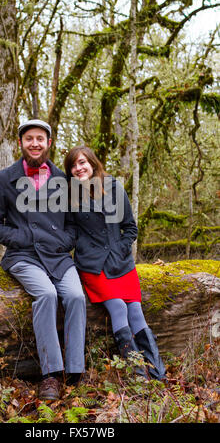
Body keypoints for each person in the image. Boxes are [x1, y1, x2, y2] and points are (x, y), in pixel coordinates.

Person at [0, 120, 86, 400]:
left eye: (40, 138)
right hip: (23, 256)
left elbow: (74, 226)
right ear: (21, 143)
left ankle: (76, 372)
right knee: (47, 294)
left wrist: (64, 242)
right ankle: (51, 375)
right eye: (29, 138)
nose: (35, 143)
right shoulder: (4, 179)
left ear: (49, 143)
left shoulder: (63, 181)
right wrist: (23, 237)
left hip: (58, 256)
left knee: (77, 296)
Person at [64, 145, 166, 381]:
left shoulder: (113, 188)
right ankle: (137, 374)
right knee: (119, 307)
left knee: (136, 310)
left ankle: (157, 373)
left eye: (82, 163)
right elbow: (69, 232)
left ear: (92, 162)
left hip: (121, 262)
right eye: (73, 165)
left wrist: (120, 248)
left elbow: (130, 227)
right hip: (93, 265)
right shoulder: (69, 196)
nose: (78, 168)